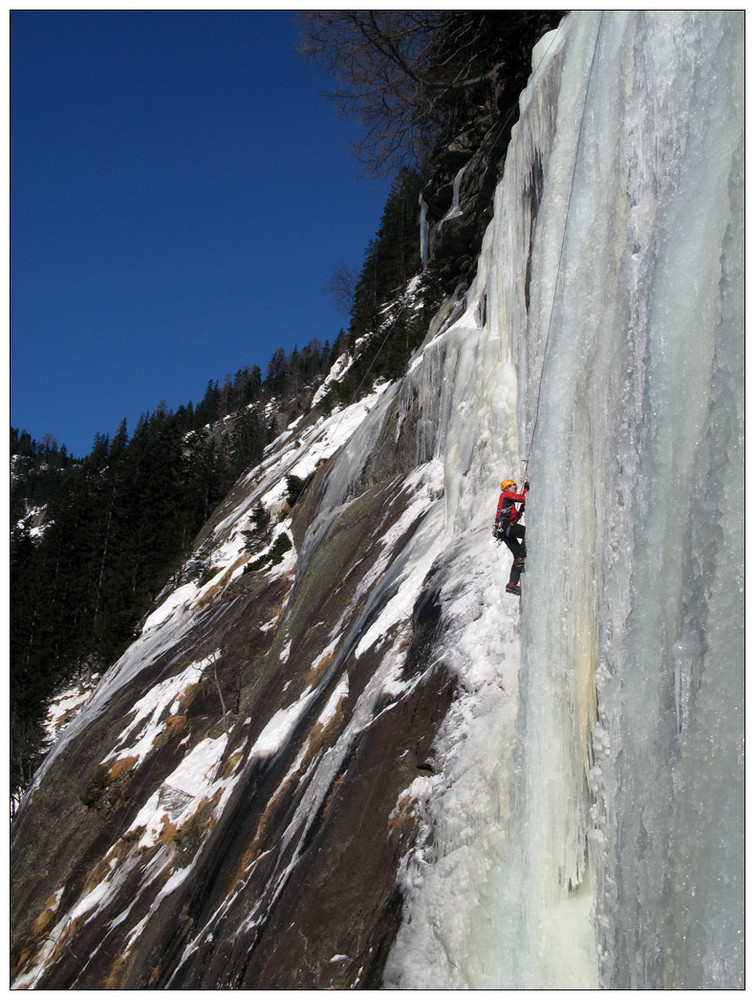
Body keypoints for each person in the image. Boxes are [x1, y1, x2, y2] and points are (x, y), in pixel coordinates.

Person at [494, 477, 529, 595]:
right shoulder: (505, 495)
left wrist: (520, 512)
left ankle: (512, 584)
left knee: (519, 557)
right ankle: (524, 550)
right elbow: (523, 498)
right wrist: (527, 488)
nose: (515, 489)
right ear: (507, 488)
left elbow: (513, 519)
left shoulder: (507, 502)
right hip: (505, 527)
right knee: (528, 532)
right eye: (514, 486)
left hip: (503, 530)